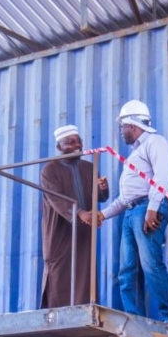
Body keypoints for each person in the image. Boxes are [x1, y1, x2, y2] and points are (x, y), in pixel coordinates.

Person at [96, 100, 168, 321]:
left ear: (132, 125)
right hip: (131, 212)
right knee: (127, 270)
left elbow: (162, 176)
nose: (121, 132)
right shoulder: (134, 154)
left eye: (122, 127)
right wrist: (103, 214)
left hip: (145, 209)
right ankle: (136, 320)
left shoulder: (155, 142)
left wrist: (152, 208)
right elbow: (124, 198)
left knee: (150, 264)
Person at [40, 125, 109, 308]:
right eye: (70, 142)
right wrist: (79, 213)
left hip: (83, 230)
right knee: (60, 271)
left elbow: (99, 197)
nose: (76, 145)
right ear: (59, 147)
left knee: (84, 272)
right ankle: (56, 317)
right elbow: (55, 198)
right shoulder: (49, 170)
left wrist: (102, 189)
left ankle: (84, 311)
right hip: (59, 232)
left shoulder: (89, 167)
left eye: (78, 141)